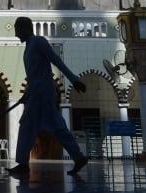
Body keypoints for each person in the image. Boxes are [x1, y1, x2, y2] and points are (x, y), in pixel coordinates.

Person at [7, 16, 88, 176]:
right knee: (54, 126)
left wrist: (73, 79)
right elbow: (33, 76)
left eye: (17, 30)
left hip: (43, 92)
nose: (16, 34)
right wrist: (26, 94)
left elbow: (56, 60)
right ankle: (78, 157)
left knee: (29, 125)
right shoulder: (29, 48)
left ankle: (23, 164)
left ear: (25, 28)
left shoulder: (38, 42)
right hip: (36, 92)